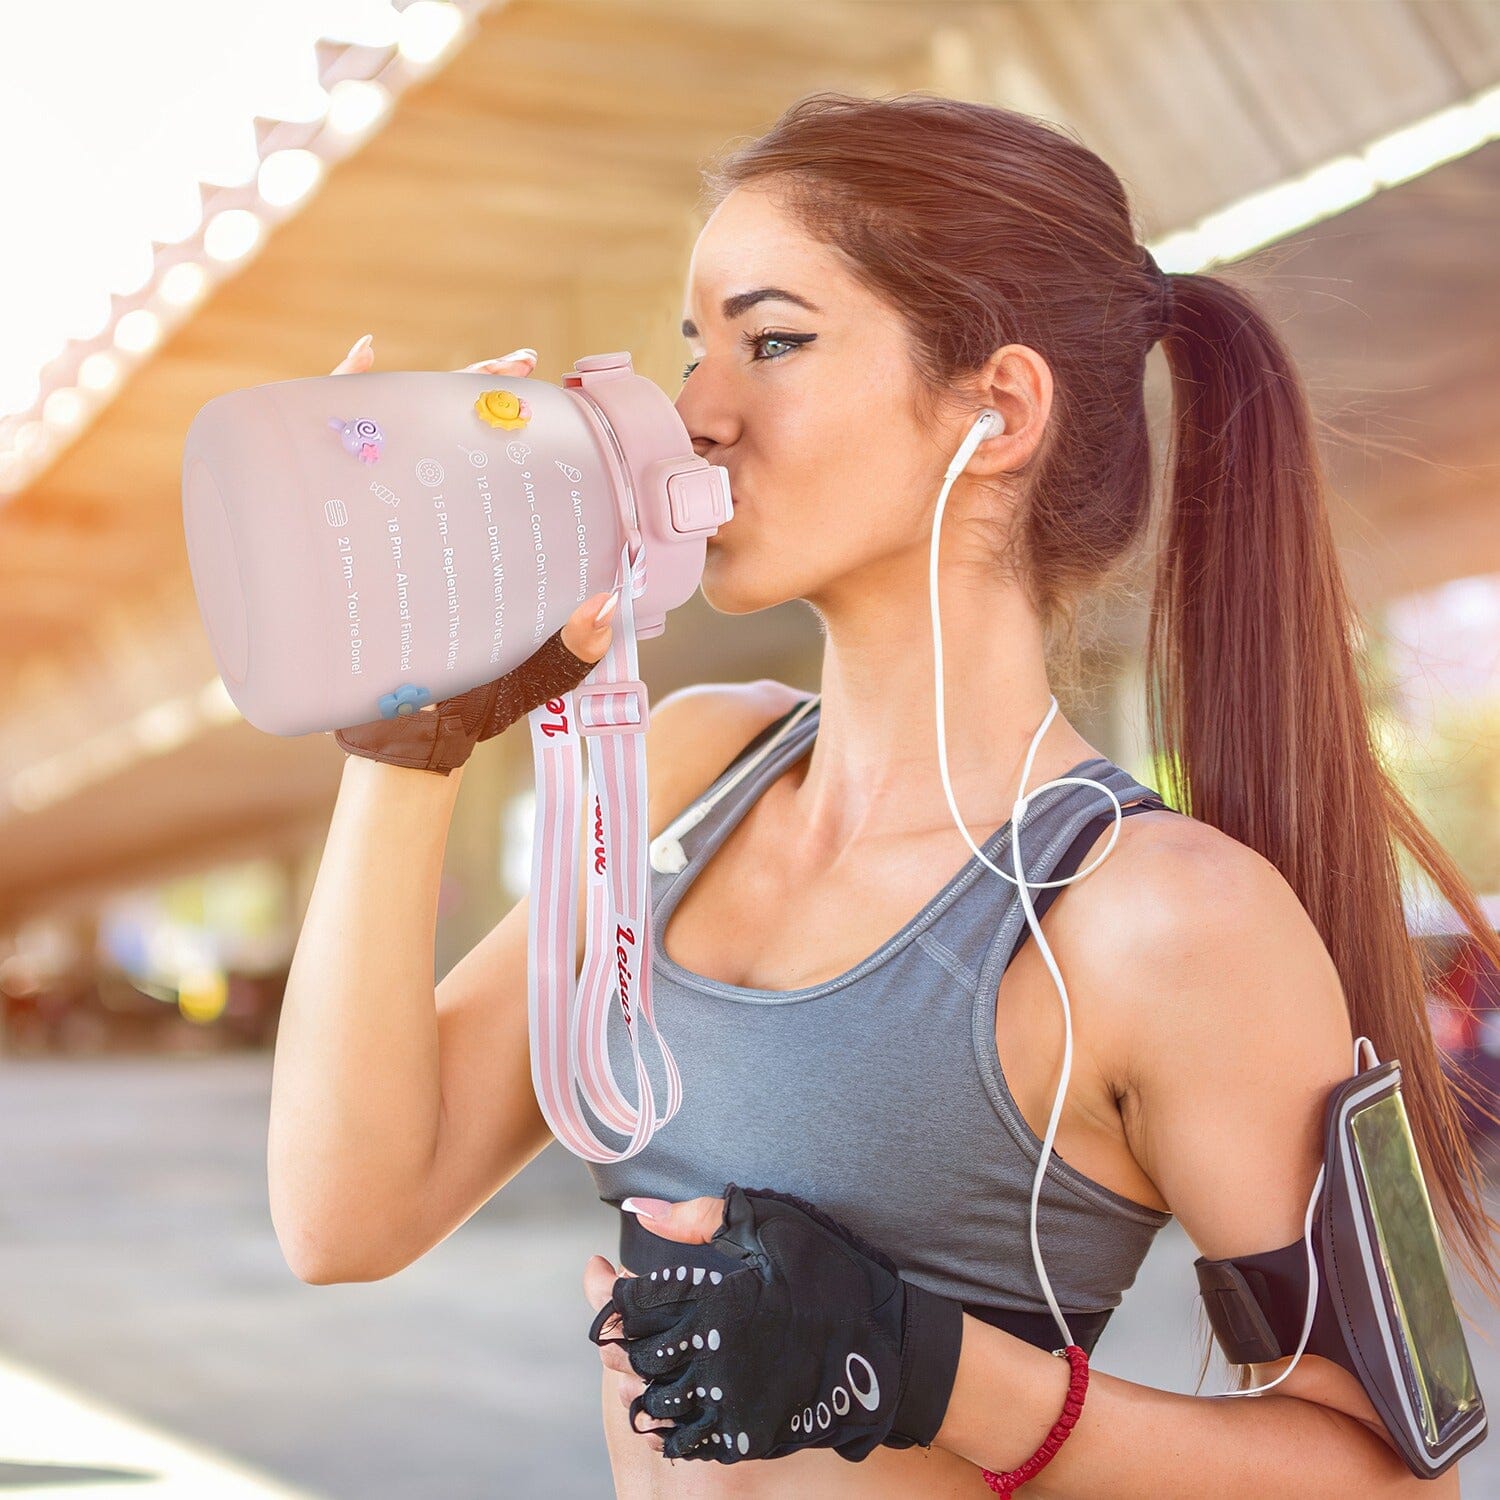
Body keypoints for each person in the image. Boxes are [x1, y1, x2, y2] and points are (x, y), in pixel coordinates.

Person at [270, 92, 1500, 1497]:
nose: (697, 416)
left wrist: (930, 1369)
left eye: (774, 341)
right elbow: (345, 1215)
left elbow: (1403, 1482)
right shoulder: (687, 771)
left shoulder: (1165, 920)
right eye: (695, 350)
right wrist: (412, 733)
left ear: (999, 409)